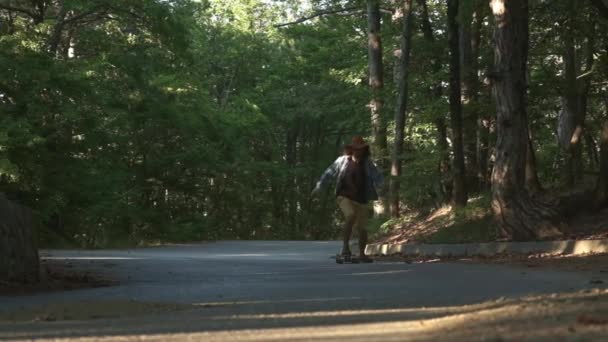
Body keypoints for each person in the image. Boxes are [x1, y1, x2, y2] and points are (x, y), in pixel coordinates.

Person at [312, 136, 384, 262]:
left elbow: (377, 177)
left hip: (362, 199)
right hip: (344, 196)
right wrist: (319, 186)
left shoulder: (367, 163)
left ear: (364, 150)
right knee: (350, 215)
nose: (358, 151)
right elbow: (329, 173)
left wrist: (384, 188)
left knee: (363, 227)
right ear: (351, 149)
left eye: (360, 149)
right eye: (355, 149)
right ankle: (345, 248)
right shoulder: (342, 161)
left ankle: (362, 253)